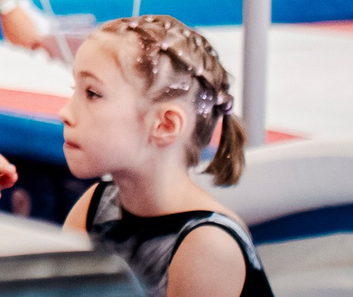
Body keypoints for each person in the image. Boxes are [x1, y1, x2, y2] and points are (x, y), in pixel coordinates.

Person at [61, 15, 274, 297]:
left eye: (92, 93)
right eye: (75, 90)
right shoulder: (94, 209)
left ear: (165, 125)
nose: (64, 113)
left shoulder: (206, 246)